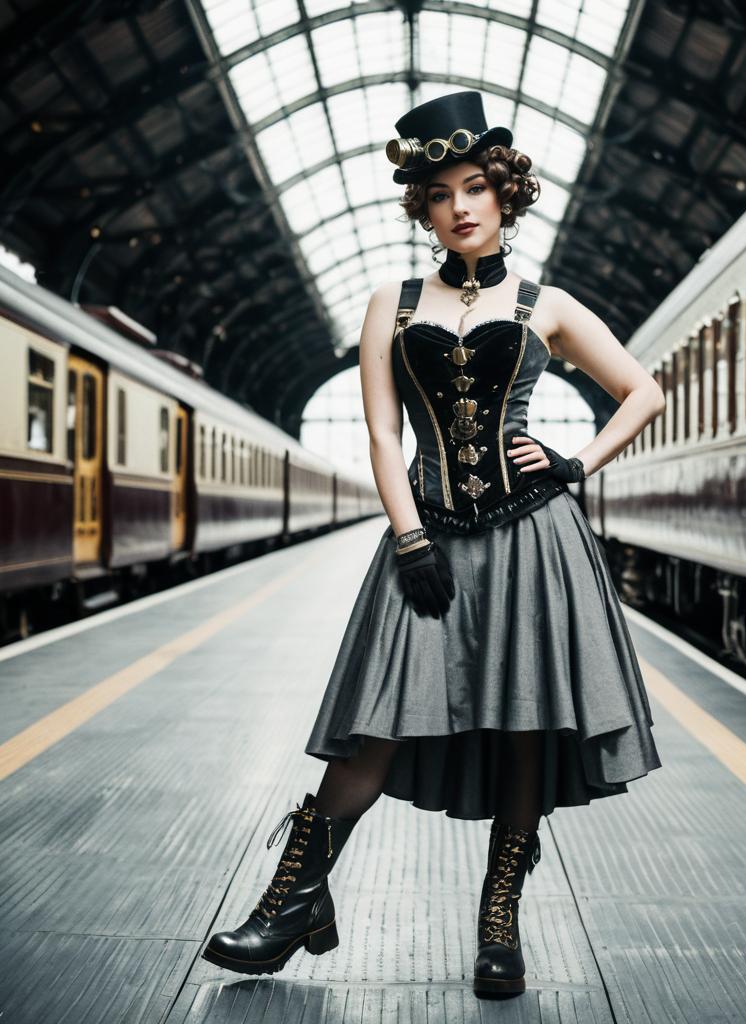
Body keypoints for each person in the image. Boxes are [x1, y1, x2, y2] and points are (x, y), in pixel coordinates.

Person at [202, 90, 664, 998]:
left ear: (505, 194)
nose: (461, 205)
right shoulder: (392, 302)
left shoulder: (548, 305)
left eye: (476, 187)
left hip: (536, 542)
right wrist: (408, 537)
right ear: (422, 207)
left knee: (528, 728)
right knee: (373, 725)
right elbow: (381, 434)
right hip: (429, 542)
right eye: (442, 192)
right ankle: (291, 903)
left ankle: (501, 926)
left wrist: (575, 462)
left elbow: (642, 391)